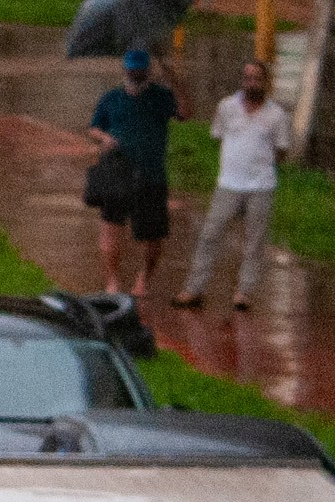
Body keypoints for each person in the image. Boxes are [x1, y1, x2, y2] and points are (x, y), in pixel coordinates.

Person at [175, 57, 292, 312]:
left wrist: (261, 162)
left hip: (260, 186)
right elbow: (218, 137)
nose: (252, 83)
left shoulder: (276, 115)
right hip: (228, 183)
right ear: (242, 80)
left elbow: (281, 151)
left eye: (257, 79)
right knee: (209, 235)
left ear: (266, 83)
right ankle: (194, 288)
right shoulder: (226, 107)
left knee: (255, 240)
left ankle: (244, 291)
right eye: (247, 78)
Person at [88, 45, 178, 298]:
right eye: (132, 71)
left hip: (151, 175)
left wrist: (176, 80)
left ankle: (144, 278)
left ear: (148, 72)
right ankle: (112, 282)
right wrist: (104, 138)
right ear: (125, 70)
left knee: (153, 236)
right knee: (110, 227)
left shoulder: (161, 97)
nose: (135, 76)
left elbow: (185, 112)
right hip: (117, 174)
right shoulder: (111, 98)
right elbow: (93, 128)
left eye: (140, 72)